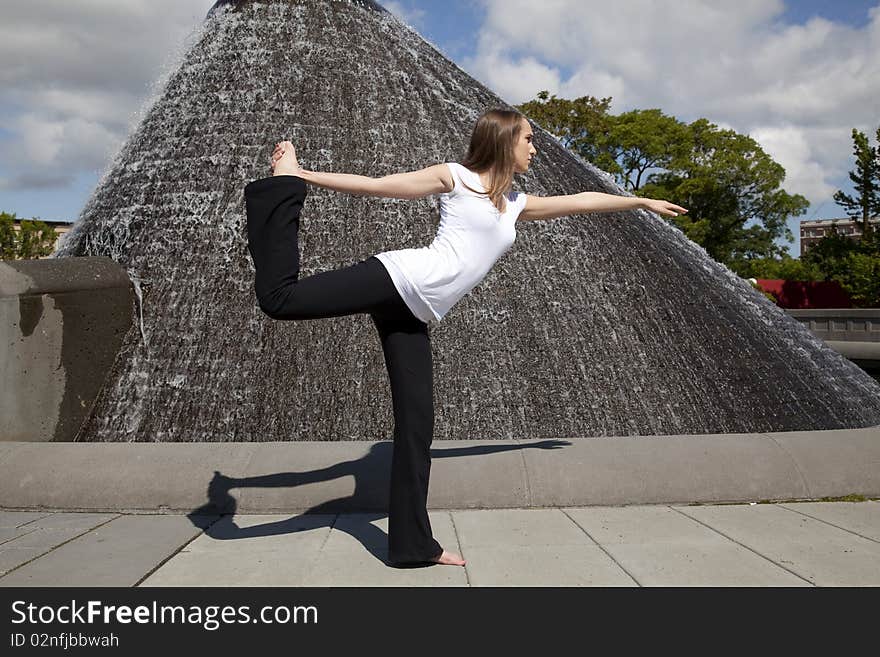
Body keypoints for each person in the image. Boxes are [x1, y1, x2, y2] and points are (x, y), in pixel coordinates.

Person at [244, 108, 687, 567]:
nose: (534, 149)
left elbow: (581, 200)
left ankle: (413, 546)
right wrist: (304, 175)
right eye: (529, 140)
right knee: (281, 298)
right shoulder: (454, 178)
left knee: (417, 427)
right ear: (504, 140)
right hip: (399, 277)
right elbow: (379, 186)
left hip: (415, 311)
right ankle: (281, 186)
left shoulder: (516, 204)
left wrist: (640, 203)